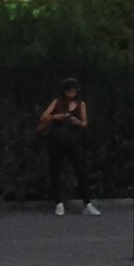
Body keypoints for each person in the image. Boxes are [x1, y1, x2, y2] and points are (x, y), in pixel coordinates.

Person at [37, 77, 97, 215]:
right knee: (56, 171)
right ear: (64, 92)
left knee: (81, 171)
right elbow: (43, 117)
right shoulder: (57, 102)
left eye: (74, 91)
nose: (71, 94)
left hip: (73, 141)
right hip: (57, 140)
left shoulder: (81, 104)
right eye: (69, 91)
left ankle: (87, 203)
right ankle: (58, 203)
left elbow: (85, 123)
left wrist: (77, 122)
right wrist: (55, 117)